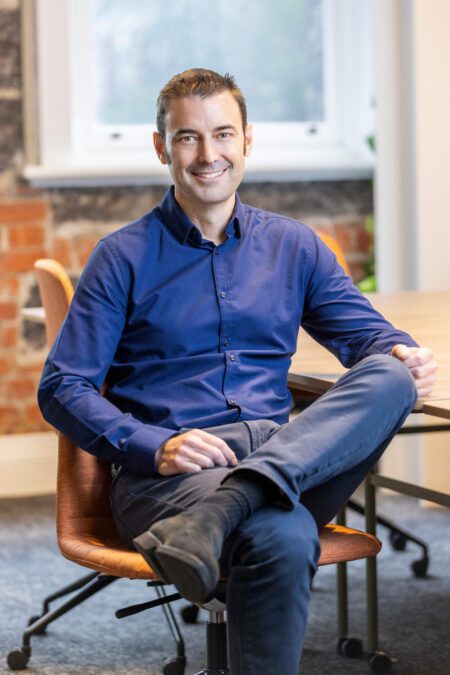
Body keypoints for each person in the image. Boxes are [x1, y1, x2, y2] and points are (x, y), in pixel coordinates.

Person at [38, 68, 437, 674]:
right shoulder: (121, 257)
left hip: (287, 459)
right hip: (173, 479)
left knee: (389, 376)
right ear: (161, 147)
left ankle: (223, 512)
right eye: (188, 138)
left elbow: (368, 336)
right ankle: (225, 508)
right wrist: (156, 446)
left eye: (222, 134)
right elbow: (62, 387)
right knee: (284, 534)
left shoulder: (294, 247)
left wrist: (402, 352)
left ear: (247, 139)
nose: (208, 154)